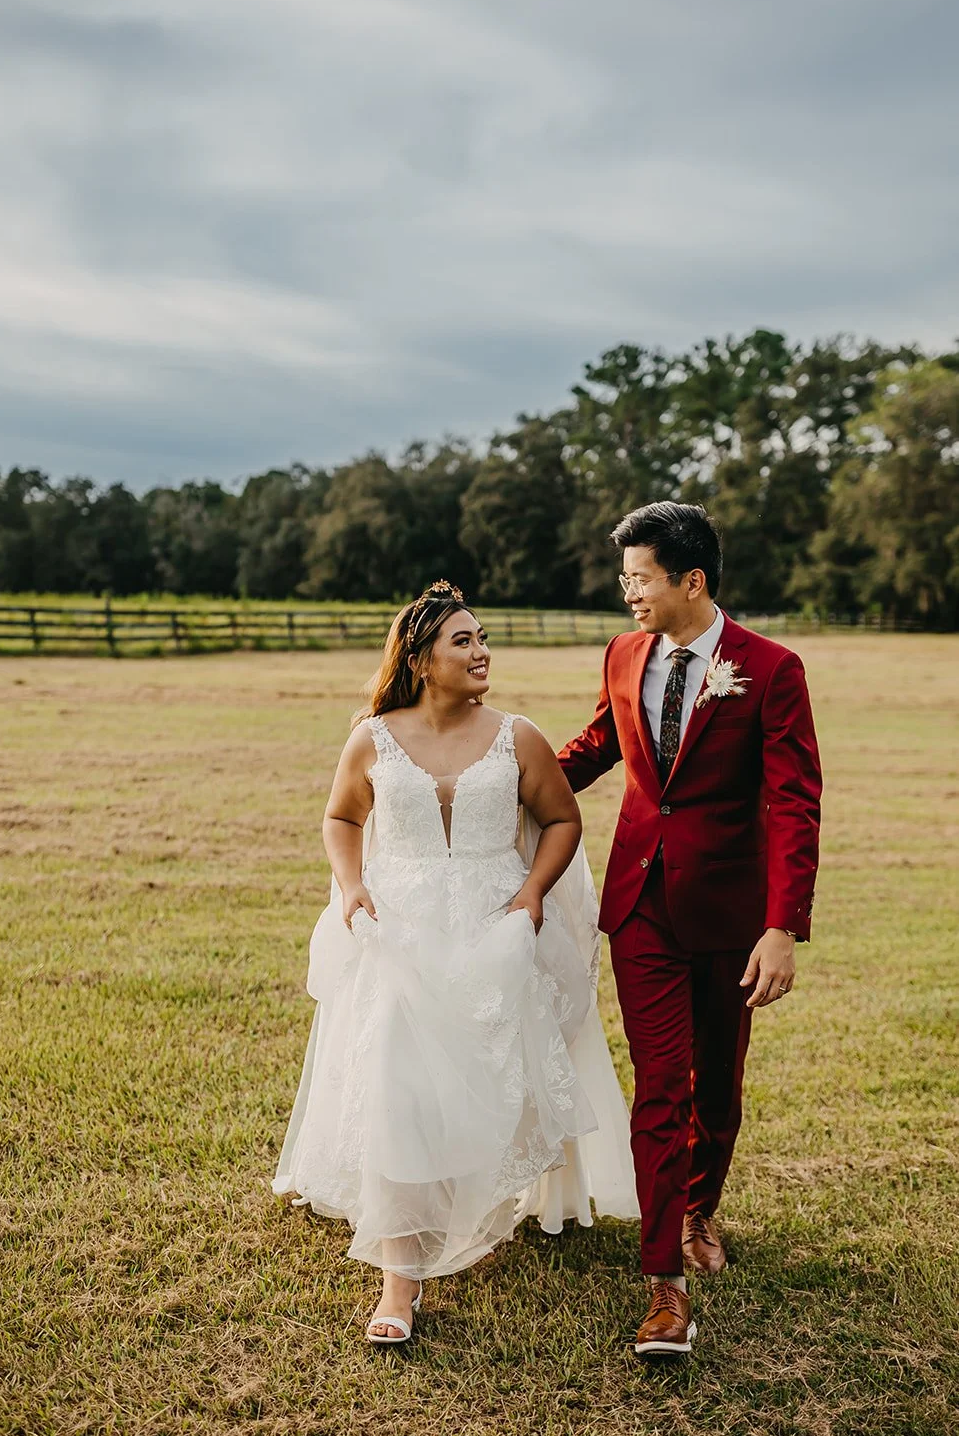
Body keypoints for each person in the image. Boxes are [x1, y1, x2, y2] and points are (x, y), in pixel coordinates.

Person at [274, 581, 638, 1345]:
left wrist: (532, 896)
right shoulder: (372, 735)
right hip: (396, 928)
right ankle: (398, 1286)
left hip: (492, 921)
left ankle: (485, 1195)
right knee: (393, 1083)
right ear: (420, 658)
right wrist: (351, 887)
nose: (481, 653)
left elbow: (562, 819)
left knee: (492, 1074)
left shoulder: (518, 735)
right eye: (462, 642)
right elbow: (341, 816)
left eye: (481, 638)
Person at [557, 503, 822, 1358]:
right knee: (660, 1086)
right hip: (640, 905)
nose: (625, 592)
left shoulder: (770, 670)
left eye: (638, 577)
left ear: (690, 581)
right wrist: (493, 778)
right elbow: (600, 744)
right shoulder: (622, 652)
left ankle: (700, 1206)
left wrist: (780, 925)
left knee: (716, 1091)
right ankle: (663, 1283)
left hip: (727, 912)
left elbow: (792, 802)